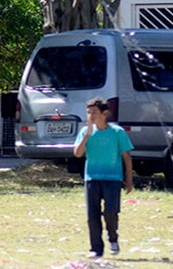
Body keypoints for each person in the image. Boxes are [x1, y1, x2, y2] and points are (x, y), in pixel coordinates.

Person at [73, 97, 134, 258]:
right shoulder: (85, 132)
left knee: (110, 212)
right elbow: (78, 154)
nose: (90, 116)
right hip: (92, 177)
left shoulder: (117, 132)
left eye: (94, 112)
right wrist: (86, 135)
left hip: (113, 178)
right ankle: (96, 249)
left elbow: (126, 156)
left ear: (104, 113)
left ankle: (113, 238)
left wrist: (129, 179)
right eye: (88, 112)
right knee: (92, 215)